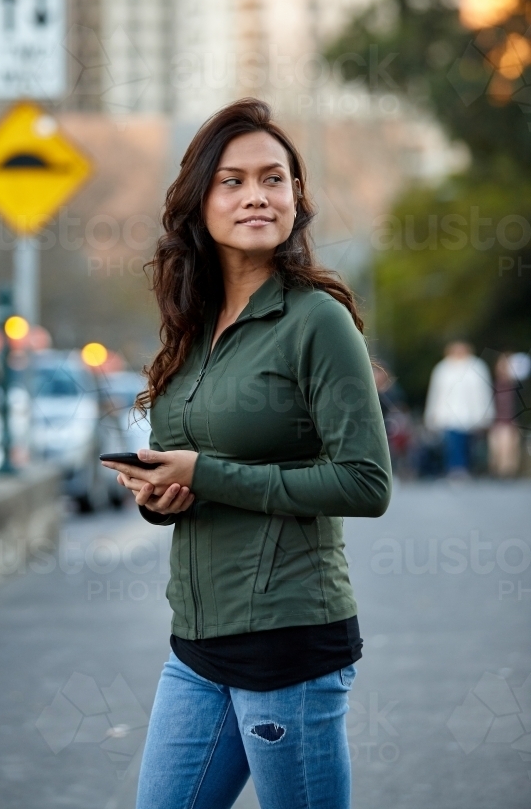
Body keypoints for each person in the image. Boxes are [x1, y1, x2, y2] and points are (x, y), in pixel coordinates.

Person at [102, 99, 392, 809]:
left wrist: (209, 474)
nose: (256, 195)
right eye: (232, 181)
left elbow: (365, 482)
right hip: (197, 644)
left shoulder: (316, 321)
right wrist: (161, 499)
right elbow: (189, 466)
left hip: (286, 644)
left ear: (297, 197)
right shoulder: (191, 325)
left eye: (274, 178)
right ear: (198, 200)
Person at [423, 340, 494, 478]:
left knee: (469, 444)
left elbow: (484, 393)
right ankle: (456, 468)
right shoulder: (442, 369)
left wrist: (487, 413)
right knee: (453, 443)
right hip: (448, 414)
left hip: (471, 415)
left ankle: (467, 467)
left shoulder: (477, 367)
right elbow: (435, 393)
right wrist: (431, 414)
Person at [488, 352, 522, 477]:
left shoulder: (518, 385)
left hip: (511, 421)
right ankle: (499, 471)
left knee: (508, 448)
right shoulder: (493, 384)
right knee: (496, 450)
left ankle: (507, 472)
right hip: (496, 421)